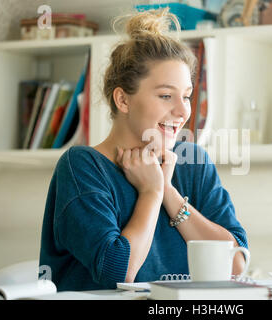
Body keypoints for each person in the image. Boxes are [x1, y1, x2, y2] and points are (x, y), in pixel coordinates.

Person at [39, 8, 248, 291]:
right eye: (165, 96)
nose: (181, 110)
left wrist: (170, 195)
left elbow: (236, 266)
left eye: (186, 96)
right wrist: (151, 194)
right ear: (123, 100)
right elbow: (118, 272)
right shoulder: (82, 167)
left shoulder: (193, 163)